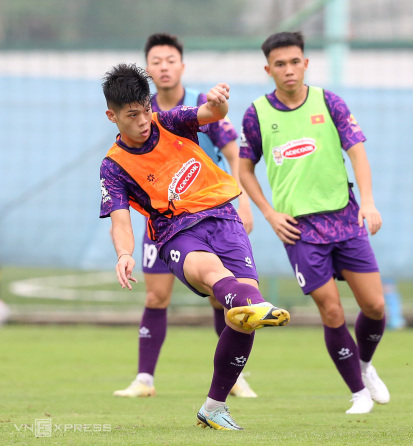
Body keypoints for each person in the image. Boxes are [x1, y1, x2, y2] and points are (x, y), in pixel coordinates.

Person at [100, 63, 290, 431]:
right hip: (177, 232)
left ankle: (214, 406)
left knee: (243, 316)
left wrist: (218, 103)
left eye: (146, 110)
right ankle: (249, 303)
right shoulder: (114, 166)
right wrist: (124, 253)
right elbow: (121, 221)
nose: (143, 121)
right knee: (218, 278)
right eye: (132, 115)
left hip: (224, 218)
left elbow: (210, 114)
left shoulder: (169, 121)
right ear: (112, 115)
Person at [239, 31, 389, 415]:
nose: (288, 70)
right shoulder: (257, 113)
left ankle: (365, 364)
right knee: (332, 312)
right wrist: (269, 213)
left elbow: (357, 152)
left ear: (305, 63)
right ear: (268, 69)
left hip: (345, 217)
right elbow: (244, 168)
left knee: (374, 307)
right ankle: (358, 394)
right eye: (280, 64)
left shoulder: (329, 102)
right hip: (300, 231)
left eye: (294, 62)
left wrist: (368, 203)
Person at [113, 33, 257, 400]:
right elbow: (119, 217)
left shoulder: (186, 109)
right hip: (166, 223)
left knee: (221, 293)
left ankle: (231, 376)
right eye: (157, 61)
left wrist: (242, 199)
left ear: (182, 65)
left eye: (170, 60)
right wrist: (123, 252)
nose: (164, 67)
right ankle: (145, 378)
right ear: (148, 69)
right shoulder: (117, 157)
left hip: (212, 210)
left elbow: (226, 136)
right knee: (156, 297)